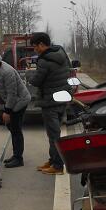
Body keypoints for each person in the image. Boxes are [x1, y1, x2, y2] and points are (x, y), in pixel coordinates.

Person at [25, 32, 71, 176]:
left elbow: (37, 80)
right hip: (61, 99)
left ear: (41, 44)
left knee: (53, 135)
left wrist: (29, 75)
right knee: (54, 133)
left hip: (50, 101)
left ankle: (58, 166)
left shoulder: (44, 60)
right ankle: (53, 161)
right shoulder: (61, 53)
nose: (35, 50)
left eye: (35, 46)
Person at [0, 52, 31, 168]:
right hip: (11, 101)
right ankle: (16, 155)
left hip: (20, 101)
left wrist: (7, 111)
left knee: (16, 129)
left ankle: (18, 159)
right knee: (12, 128)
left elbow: (12, 94)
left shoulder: (7, 72)